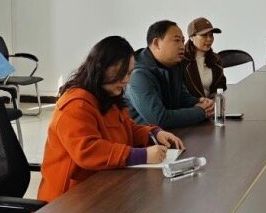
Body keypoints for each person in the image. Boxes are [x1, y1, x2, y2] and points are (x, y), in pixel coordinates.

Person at [38, 35, 184, 202]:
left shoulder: (108, 96)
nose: (126, 80)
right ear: (101, 67)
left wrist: (153, 133)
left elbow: (127, 128)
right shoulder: (76, 104)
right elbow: (88, 150)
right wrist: (141, 155)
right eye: (121, 73)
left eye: (129, 73)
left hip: (102, 185)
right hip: (67, 200)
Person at [125, 20, 214, 128]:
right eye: (176, 40)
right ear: (156, 43)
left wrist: (199, 101)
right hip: (144, 137)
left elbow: (180, 96)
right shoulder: (138, 75)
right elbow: (159, 119)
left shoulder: (174, 64)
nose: (182, 46)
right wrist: (201, 112)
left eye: (182, 41)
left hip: (171, 133)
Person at [183, 16, 227, 99]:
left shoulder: (216, 59)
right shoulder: (181, 60)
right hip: (191, 106)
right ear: (192, 37)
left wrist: (214, 96)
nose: (209, 39)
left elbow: (221, 82)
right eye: (204, 35)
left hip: (212, 104)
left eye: (211, 35)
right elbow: (180, 92)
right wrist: (199, 102)